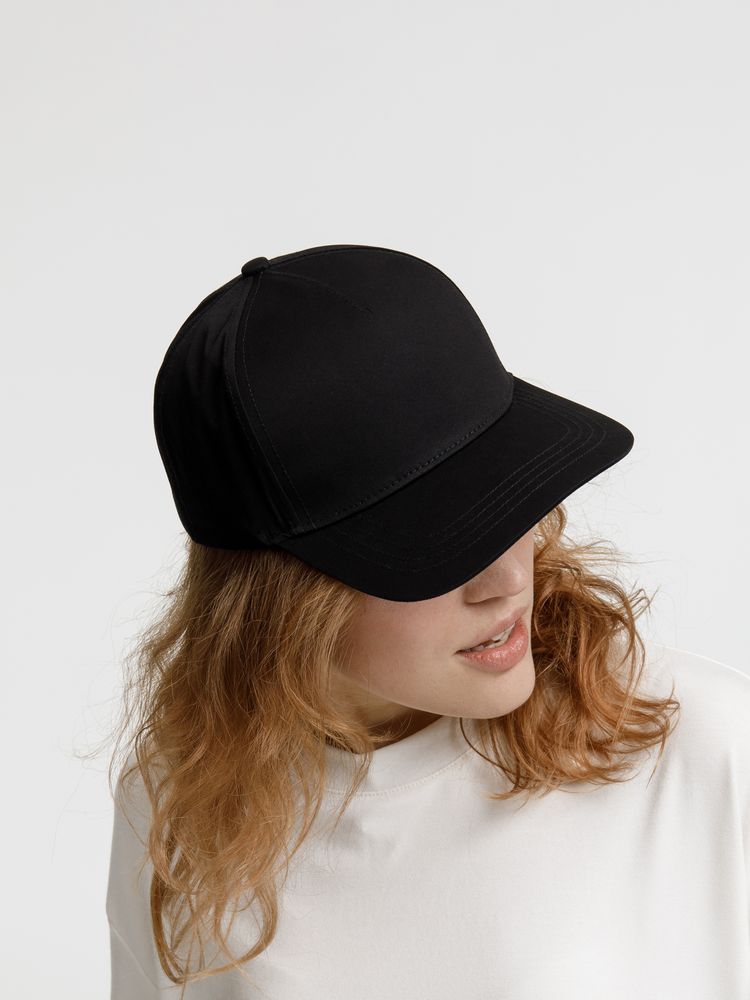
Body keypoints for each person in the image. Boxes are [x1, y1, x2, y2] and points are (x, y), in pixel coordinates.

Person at [105, 245, 750, 999]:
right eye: (437, 544)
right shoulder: (182, 798)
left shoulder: (693, 743)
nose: (511, 580)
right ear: (281, 601)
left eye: (510, 499)